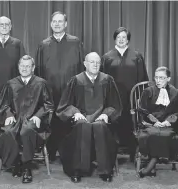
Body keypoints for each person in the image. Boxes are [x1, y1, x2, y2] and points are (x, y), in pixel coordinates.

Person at [57, 52, 122, 183]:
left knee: (100, 126)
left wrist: (106, 114)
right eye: (92, 62)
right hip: (81, 118)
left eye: (98, 62)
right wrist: (75, 112)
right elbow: (64, 105)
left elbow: (115, 104)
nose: (95, 65)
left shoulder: (107, 80)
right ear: (85, 64)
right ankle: (77, 170)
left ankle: (105, 170)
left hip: (101, 118)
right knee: (82, 125)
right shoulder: (76, 80)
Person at [0, 55, 54, 183]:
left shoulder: (41, 83)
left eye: (28, 66)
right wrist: (9, 115)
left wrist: (38, 116)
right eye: (22, 65)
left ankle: (26, 166)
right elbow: (3, 105)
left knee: (26, 131)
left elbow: (48, 104)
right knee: (8, 132)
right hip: (16, 120)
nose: (24, 68)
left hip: (33, 120)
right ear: (18, 67)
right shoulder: (11, 84)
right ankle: (15, 162)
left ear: (33, 68)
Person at [35, 11, 84, 160]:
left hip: (70, 90)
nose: (57, 24)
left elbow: (82, 67)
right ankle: (50, 150)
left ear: (66, 24)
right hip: (50, 90)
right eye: (54, 21)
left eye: (60, 21)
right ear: (50, 24)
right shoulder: (43, 45)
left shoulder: (75, 42)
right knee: (52, 120)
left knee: (69, 119)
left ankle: (68, 153)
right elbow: (38, 70)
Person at [101, 27, 149, 161]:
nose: (121, 39)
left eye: (124, 37)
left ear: (128, 39)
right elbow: (102, 79)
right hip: (113, 97)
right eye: (118, 37)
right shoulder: (107, 57)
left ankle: (133, 153)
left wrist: (140, 98)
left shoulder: (137, 56)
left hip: (132, 97)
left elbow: (143, 79)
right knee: (113, 122)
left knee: (131, 123)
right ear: (114, 39)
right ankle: (112, 153)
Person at [0, 16, 26, 161]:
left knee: (10, 119)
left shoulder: (17, 44)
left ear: (11, 26)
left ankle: (13, 149)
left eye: (7, 24)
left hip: (13, 90)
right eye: (1, 24)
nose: (4, 26)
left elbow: (23, 67)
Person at [137, 67, 178, 178]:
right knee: (152, 133)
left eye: (162, 78)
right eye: (156, 77)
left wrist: (168, 121)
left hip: (169, 126)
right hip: (151, 124)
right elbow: (142, 109)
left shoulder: (176, 93)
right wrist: (154, 121)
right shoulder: (148, 91)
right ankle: (152, 165)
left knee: (164, 134)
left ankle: (150, 166)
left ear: (168, 78)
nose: (158, 80)